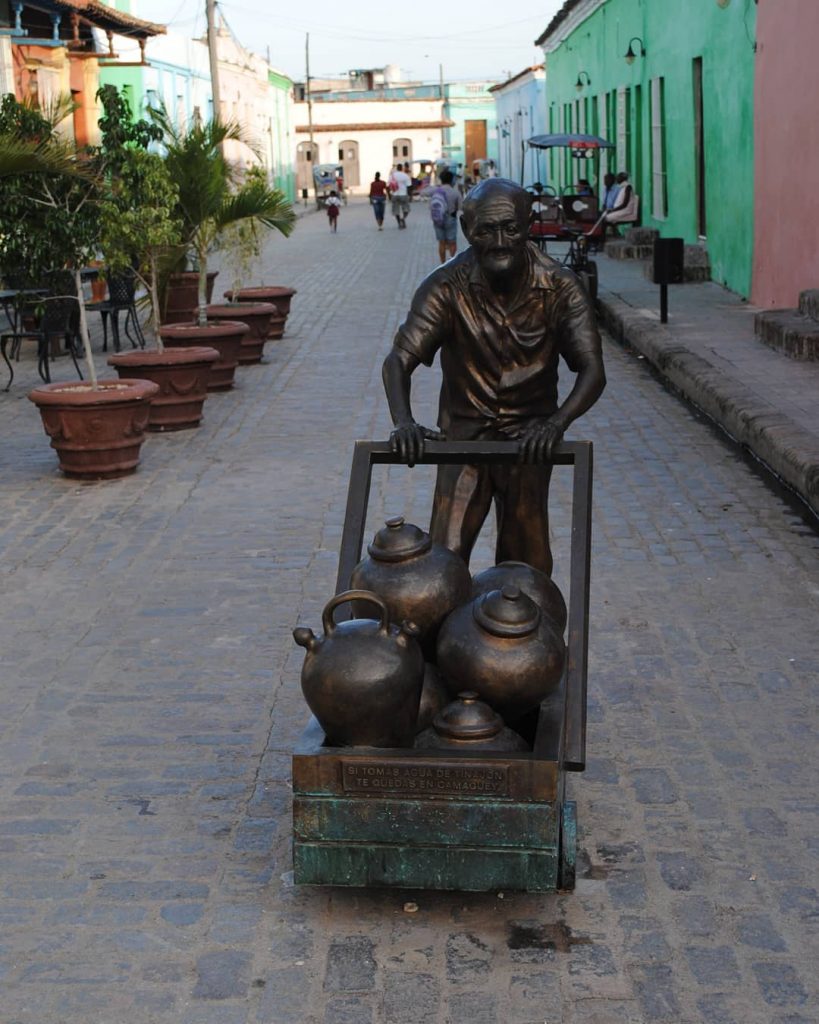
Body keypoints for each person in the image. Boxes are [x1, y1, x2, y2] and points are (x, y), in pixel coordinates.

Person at [382, 178, 606, 576]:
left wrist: (556, 424)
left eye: (510, 228)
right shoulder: (445, 286)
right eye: (486, 230)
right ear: (468, 230)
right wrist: (403, 422)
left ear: (528, 226)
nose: (500, 241)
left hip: (530, 439)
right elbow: (399, 361)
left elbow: (592, 371)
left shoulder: (560, 287)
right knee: (442, 565)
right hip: (464, 439)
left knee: (527, 566)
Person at [422, 169, 462, 264]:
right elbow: (461, 207)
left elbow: (422, 192)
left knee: (442, 243)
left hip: (438, 219)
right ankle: (452, 262)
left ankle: (443, 264)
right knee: (452, 242)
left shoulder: (436, 190)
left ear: (441, 179)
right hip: (451, 218)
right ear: (452, 180)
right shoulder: (455, 192)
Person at [389, 163, 412, 229]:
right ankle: (403, 219)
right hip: (403, 194)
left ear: (396, 168)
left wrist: (389, 196)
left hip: (394, 194)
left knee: (396, 210)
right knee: (406, 209)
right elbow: (409, 186)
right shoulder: (405, 175)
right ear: (402, 168)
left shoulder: (392, 175)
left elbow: (388, 186)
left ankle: (399, 223)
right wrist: (410, 195)